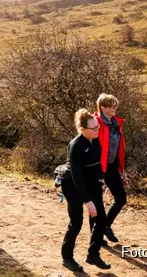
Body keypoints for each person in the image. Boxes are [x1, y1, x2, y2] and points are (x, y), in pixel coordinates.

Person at [61, 108, 111, 271]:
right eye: (94, 128)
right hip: (73, 185)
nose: (97, 130)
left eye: (98, 127)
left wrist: (103, 180)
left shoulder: (95, 140)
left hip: (90, 182)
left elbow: (97, 164)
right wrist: (88, 201)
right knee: (76, 222)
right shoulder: (75, 146)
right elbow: (76, 176)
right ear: (82, 130)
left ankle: (93, 255)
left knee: (102, 219)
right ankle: (67, 258)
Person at [92, 93, 128, 244]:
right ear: (102, 107)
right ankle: (96, 237)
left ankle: (105, 226)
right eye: (111, 106)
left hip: (112, 166)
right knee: (96, 202)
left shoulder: (116, 123)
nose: (114, 108)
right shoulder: (96, 122)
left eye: (115, 106)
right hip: (97, 167)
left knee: (121, 198)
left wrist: (121, 169)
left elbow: (118, 147)